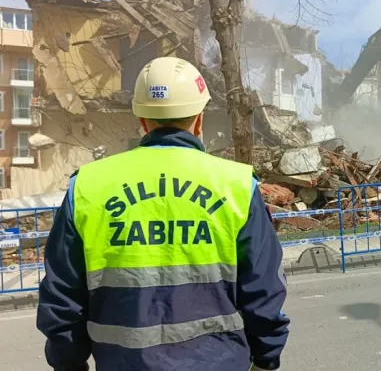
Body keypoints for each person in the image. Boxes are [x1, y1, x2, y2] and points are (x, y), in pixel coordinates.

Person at [36, 57, 289, 371]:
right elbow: (264, 289)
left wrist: (68, 363)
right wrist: (266, 359)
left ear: (142, 120)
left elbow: (62, 297)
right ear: (199, 119)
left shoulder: (87, 186)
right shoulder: (236, 185)